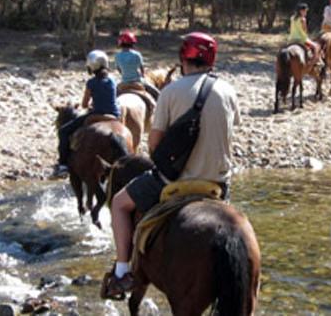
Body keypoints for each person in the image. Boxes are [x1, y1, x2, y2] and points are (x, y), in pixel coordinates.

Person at [101, 32, 242, 299]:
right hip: (218, 184)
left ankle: (121, 273)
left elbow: (154, 146)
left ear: (183, 57)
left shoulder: (170, 92)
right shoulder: (228, 90)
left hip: (174, 182)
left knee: (120, 203)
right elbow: (230, 130)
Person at [51, 50, 121, 179]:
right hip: (114, 115)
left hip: (97, 115)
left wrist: (89, 105)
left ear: (92, 66)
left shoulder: (91, 82)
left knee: (63, 131)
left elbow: (84, 104)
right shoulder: (112, 80)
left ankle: (62, 165)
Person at [113, 31, 159, 100]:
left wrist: (124, 74)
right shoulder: (137, 54)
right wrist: (142, 75)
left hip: (124, 82)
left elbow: (119, 69)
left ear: (120, 43)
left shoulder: (117, 56)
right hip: (137, 81)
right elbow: (141, 68)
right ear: (132, 43)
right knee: (157, 93)